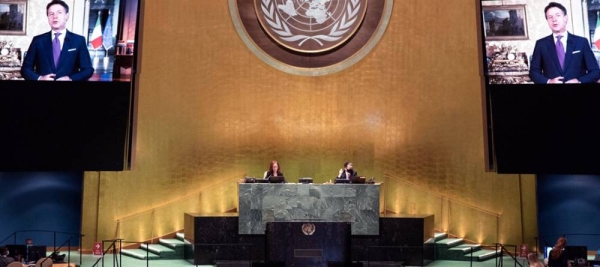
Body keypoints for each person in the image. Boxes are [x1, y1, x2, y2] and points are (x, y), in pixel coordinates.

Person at [20, 0, 94, 81]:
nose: (55, 16)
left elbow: (88, 70)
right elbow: (25, 69)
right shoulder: (38, 40)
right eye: (51, 14)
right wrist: (40, 78)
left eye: (59, 12)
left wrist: (70, 79)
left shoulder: (78, 40)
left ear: (67, 15)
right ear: (47, 17)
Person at [529, 2, 600, 84]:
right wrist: (548, 81)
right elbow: (533, 72)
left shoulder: (581, 42)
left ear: (566, 18)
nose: (554, 19)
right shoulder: (541, 44)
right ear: (547, 21)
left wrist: (579, 81)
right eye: (550, 17)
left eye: (558, 15)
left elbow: (595, 72)